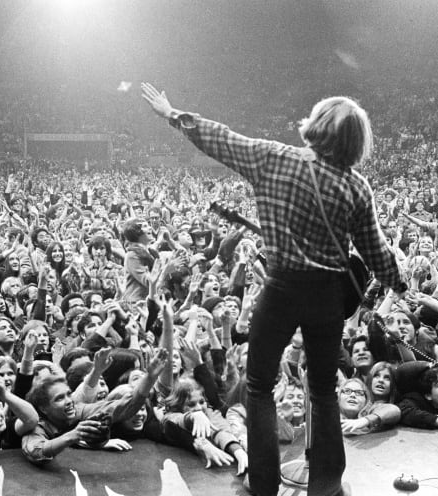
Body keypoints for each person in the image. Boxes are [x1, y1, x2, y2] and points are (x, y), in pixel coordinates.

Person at [142, 83, 406, 496]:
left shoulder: (274, 158)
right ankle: (327, 484)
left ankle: (264, 485)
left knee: (260, 386)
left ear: (316, 126)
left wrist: (174, 114)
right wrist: (399, 283)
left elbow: (222, 138)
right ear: (357, 142)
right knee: (322, 390)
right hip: (326, 298)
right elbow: (377, 253)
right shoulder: (357, 188)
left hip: (281, 287)